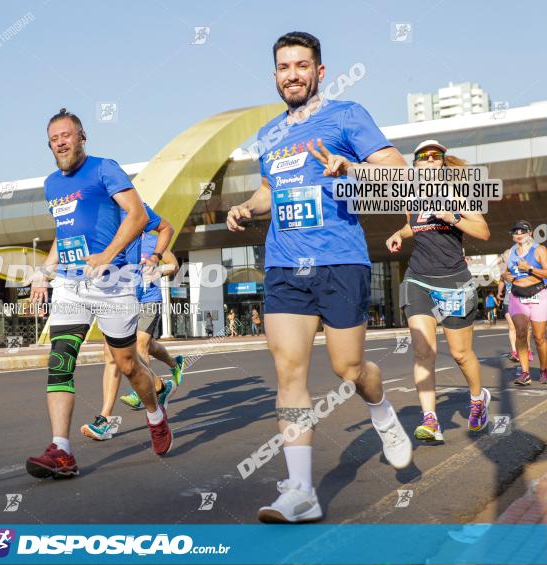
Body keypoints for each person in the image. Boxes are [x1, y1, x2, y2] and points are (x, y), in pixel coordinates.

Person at [226, 31, 412, 523]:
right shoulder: (268, 134)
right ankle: (302, 491)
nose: (293, 75)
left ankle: (382, 412)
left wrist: (349, 168)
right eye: (285, 67)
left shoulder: (347, 116)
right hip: (285, 264)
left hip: (339, 260)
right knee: (289, 374)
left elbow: (397, 170)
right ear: (275, 76)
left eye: (302, 66)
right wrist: (247, 205)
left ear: (319, 72)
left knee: (349, 371)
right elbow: (269, 189)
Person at [26, 109, 173, 479]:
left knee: (126, 364)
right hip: (71, 285)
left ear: (81, 137)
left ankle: (155, 413)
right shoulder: (51, 185)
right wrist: (43, 275)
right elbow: (64, 234)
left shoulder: (105, 168)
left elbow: (138, 216)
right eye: (54, 137)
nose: (61, 141)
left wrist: (107, 255)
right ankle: (62, 451)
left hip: (114, 283)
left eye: (67, 135)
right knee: (60, 360)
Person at [386, 140, 491, 442]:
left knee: (460, 353)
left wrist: (452, 217)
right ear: (416, 164)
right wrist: (398, 233)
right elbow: (413, 226)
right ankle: (430, 420)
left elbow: (483, 232)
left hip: (455, 282)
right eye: (424, 157)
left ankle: (477, 398)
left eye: (437, 157)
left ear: (443, 164)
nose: (431, 160)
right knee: (423, 351)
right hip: (419, 279)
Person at [82, 210, 185, 438]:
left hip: (148, 300)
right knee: (111, 354)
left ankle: (148, 395)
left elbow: (174, 265)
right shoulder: (111, 241)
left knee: (140, 345)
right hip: (123, 300)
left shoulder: (151, 239)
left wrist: (157, 269)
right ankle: (109, 417)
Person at [502, 220, 547, 385]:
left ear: (530, 233)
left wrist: (529, 269)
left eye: (523, 231)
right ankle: (525, 373)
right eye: (516, 232)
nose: (519, 234)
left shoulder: (540, 250)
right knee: (520, 333)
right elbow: (505, 273)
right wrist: (506, 276)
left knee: (539, 337)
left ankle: (543, 370)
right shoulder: (512, 252)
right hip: (517, 295)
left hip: (539, 295)